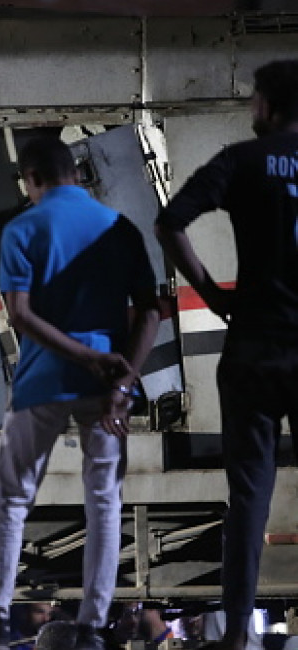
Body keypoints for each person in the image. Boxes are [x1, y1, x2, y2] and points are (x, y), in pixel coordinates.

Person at [0, 136, 161, 650]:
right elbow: (152, 311)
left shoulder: (22, 228)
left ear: (31, 180)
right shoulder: (120, 228)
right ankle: (92, 628)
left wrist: (81, 357)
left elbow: (21, 316)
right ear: (75, 173)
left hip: (41, 384)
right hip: (106, 388)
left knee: (12, 502)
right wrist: (122, 377)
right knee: (104, 505)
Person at [155, 58, 298, 650]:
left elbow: (170, 223)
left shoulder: (240, 160)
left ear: (266, 105)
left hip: (253, 350)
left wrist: (214, 294)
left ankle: (237, 632)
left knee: (248, 498)